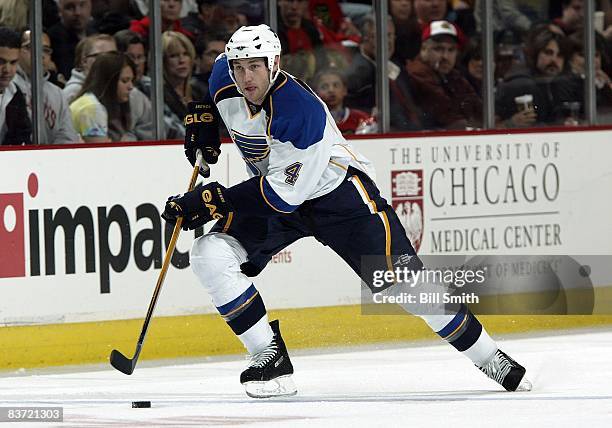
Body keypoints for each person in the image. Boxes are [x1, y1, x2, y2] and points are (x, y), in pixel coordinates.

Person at [160, 24, 531, 398]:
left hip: (339, 198)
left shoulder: (298, 111)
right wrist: (202, 120)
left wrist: (211, 200)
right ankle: (268, 355)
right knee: (210, 254)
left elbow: (281, 197)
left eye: (254, 67)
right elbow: (214, 88)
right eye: (239, 68)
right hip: (278, 196)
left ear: (274, 63)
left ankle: (489, 356)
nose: (245, 77)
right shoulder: (226, 74)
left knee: (408, 288)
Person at [345, 15, 423, 131]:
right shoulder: (359, 73)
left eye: (390, 35)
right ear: (364, 38)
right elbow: (350, 111)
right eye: (379, 36)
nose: (387, 41)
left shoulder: (395, 65)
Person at [406, 20, 482, 129]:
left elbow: (478, 108)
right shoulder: (418, 73)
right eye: (438, 49)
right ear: (423, 49)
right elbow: (448, 117)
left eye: (451, 50)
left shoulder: (453, 75)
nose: (445, 56)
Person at [13, 30, 79, 145]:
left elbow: (67, 137)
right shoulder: (7, 86)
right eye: (31, 47)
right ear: (17, 51)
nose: (41, 54)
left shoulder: (57, 93)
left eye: (46, 50)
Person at [495, 26, 570, 127]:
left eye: (560, 55)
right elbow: (493, 125)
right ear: (535, 53)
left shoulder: (556, 83)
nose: (554, 60)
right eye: (548, 53)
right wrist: (510, 124)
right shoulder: (523, 85)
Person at [69, 51, 135, 142]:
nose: (131, 87)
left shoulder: (91, 101)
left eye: (132, 80)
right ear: (108, 82)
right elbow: (100, 153)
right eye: (124, 81)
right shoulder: (92, 108)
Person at [313, 68, 373, 134]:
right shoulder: (312, 120)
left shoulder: (360, 118)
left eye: (336, 85)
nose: (331, 90)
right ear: (316, 93)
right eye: (324, 87)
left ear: (344, 90)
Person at [47, 0, 94, 82]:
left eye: (82, 5)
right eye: (70, 7)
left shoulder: (95, 34)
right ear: (59, 10)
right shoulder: (53, 39)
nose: (77, 12)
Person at [0, 26, 31, 145]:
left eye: (13, 63)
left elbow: (23, 136)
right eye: (1, 62)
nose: (7, 70)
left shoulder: (15, 93)